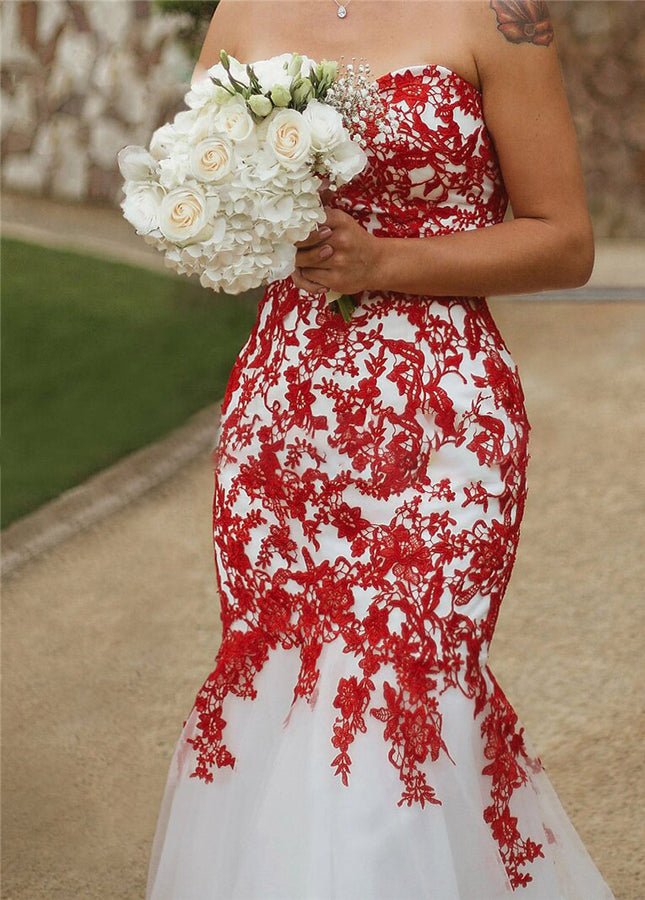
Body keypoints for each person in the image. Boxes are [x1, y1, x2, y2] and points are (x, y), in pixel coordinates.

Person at [145, 2, 616, 897]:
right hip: (282, 416)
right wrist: (226, 216)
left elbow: (564, 242)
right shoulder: (244, 9)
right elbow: (192, 199)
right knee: (280, 676)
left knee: (403, 687)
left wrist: (384, 262)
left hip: (444, 418)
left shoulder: (502, 15)